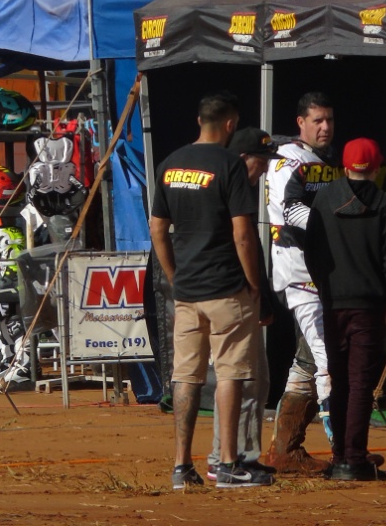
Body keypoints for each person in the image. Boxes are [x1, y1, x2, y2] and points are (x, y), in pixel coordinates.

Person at [150, 93, 273, 490]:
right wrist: (255, 284)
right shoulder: (229, 165)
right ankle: (229, 463)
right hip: (225, 287)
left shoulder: (170, 164)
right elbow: (243, 234)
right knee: (231, 373)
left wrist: (174, 275)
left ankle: (181, 467)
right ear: (230, 124)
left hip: (187, 290)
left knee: (185, 375)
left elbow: (157, 229)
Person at [305, 138, 386, 482]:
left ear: (345, 167)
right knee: (361, 382)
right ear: (377, 167)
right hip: (369, 306)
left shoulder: (324, 198)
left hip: (333, 303)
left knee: (340, 380)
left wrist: (326, 290)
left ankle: (340, 456)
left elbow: (311, 253)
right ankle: (355, 459)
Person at [264, 92, 338, 475]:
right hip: (299, 272)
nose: (325, 127)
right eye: (317, 121)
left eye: (329, 120)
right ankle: (345, 453)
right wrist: (340, 230)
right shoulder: (288, 161)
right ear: (300, 122)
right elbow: (289, 210)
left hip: (321, 272)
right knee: (328, 359)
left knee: (308, 362)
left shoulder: (320, 161)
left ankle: (285, 449)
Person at [207, 127, 277, 481]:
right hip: (233, 293)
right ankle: (232, 458)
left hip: (235, 292)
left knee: (251, 380)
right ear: (242, 158)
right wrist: (254, 290)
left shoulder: (238, 187)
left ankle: (233, 454)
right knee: (244, 379)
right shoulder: (230, 188)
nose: (264, 170)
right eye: (260, 162)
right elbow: (243, 244)